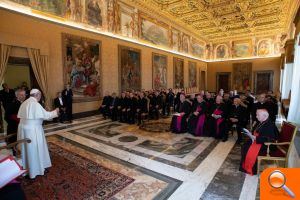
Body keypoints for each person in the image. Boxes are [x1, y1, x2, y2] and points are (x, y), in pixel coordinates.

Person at [17, 89, 59, 179]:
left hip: (24, 130)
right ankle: (36, 170)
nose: (40, 97)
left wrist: (45, 111)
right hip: (33, 131)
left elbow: (40, 114)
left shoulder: (25, 102)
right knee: (35, 150)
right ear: (37, 95)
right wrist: (56, 111)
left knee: (27, 151)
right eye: (40, 95)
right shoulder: (35, 104)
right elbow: (47, 116)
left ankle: (28, 169)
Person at [240, 109, 278, 175]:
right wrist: (250, 134)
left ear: (265, 116)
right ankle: (245, 165)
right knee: (245, 145)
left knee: (247, 148)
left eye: (258, 115)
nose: (256, 116)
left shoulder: (270, 125)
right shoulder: (261, 122)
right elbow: (257, 131)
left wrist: (255, 138)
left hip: (266, 145)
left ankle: (251, 168)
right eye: (256, 115)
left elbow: (270, 139)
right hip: (257, 140)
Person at [5, 89, 26, 156]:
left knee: (21, 143)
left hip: (21, 126)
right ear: (16, 95)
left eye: (24, 94)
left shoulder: (24, 103)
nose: (24, 96)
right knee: (15, 144)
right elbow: (7, 117)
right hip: (14, 127)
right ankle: (17, 161)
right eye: (21, 95)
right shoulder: (12, 104)